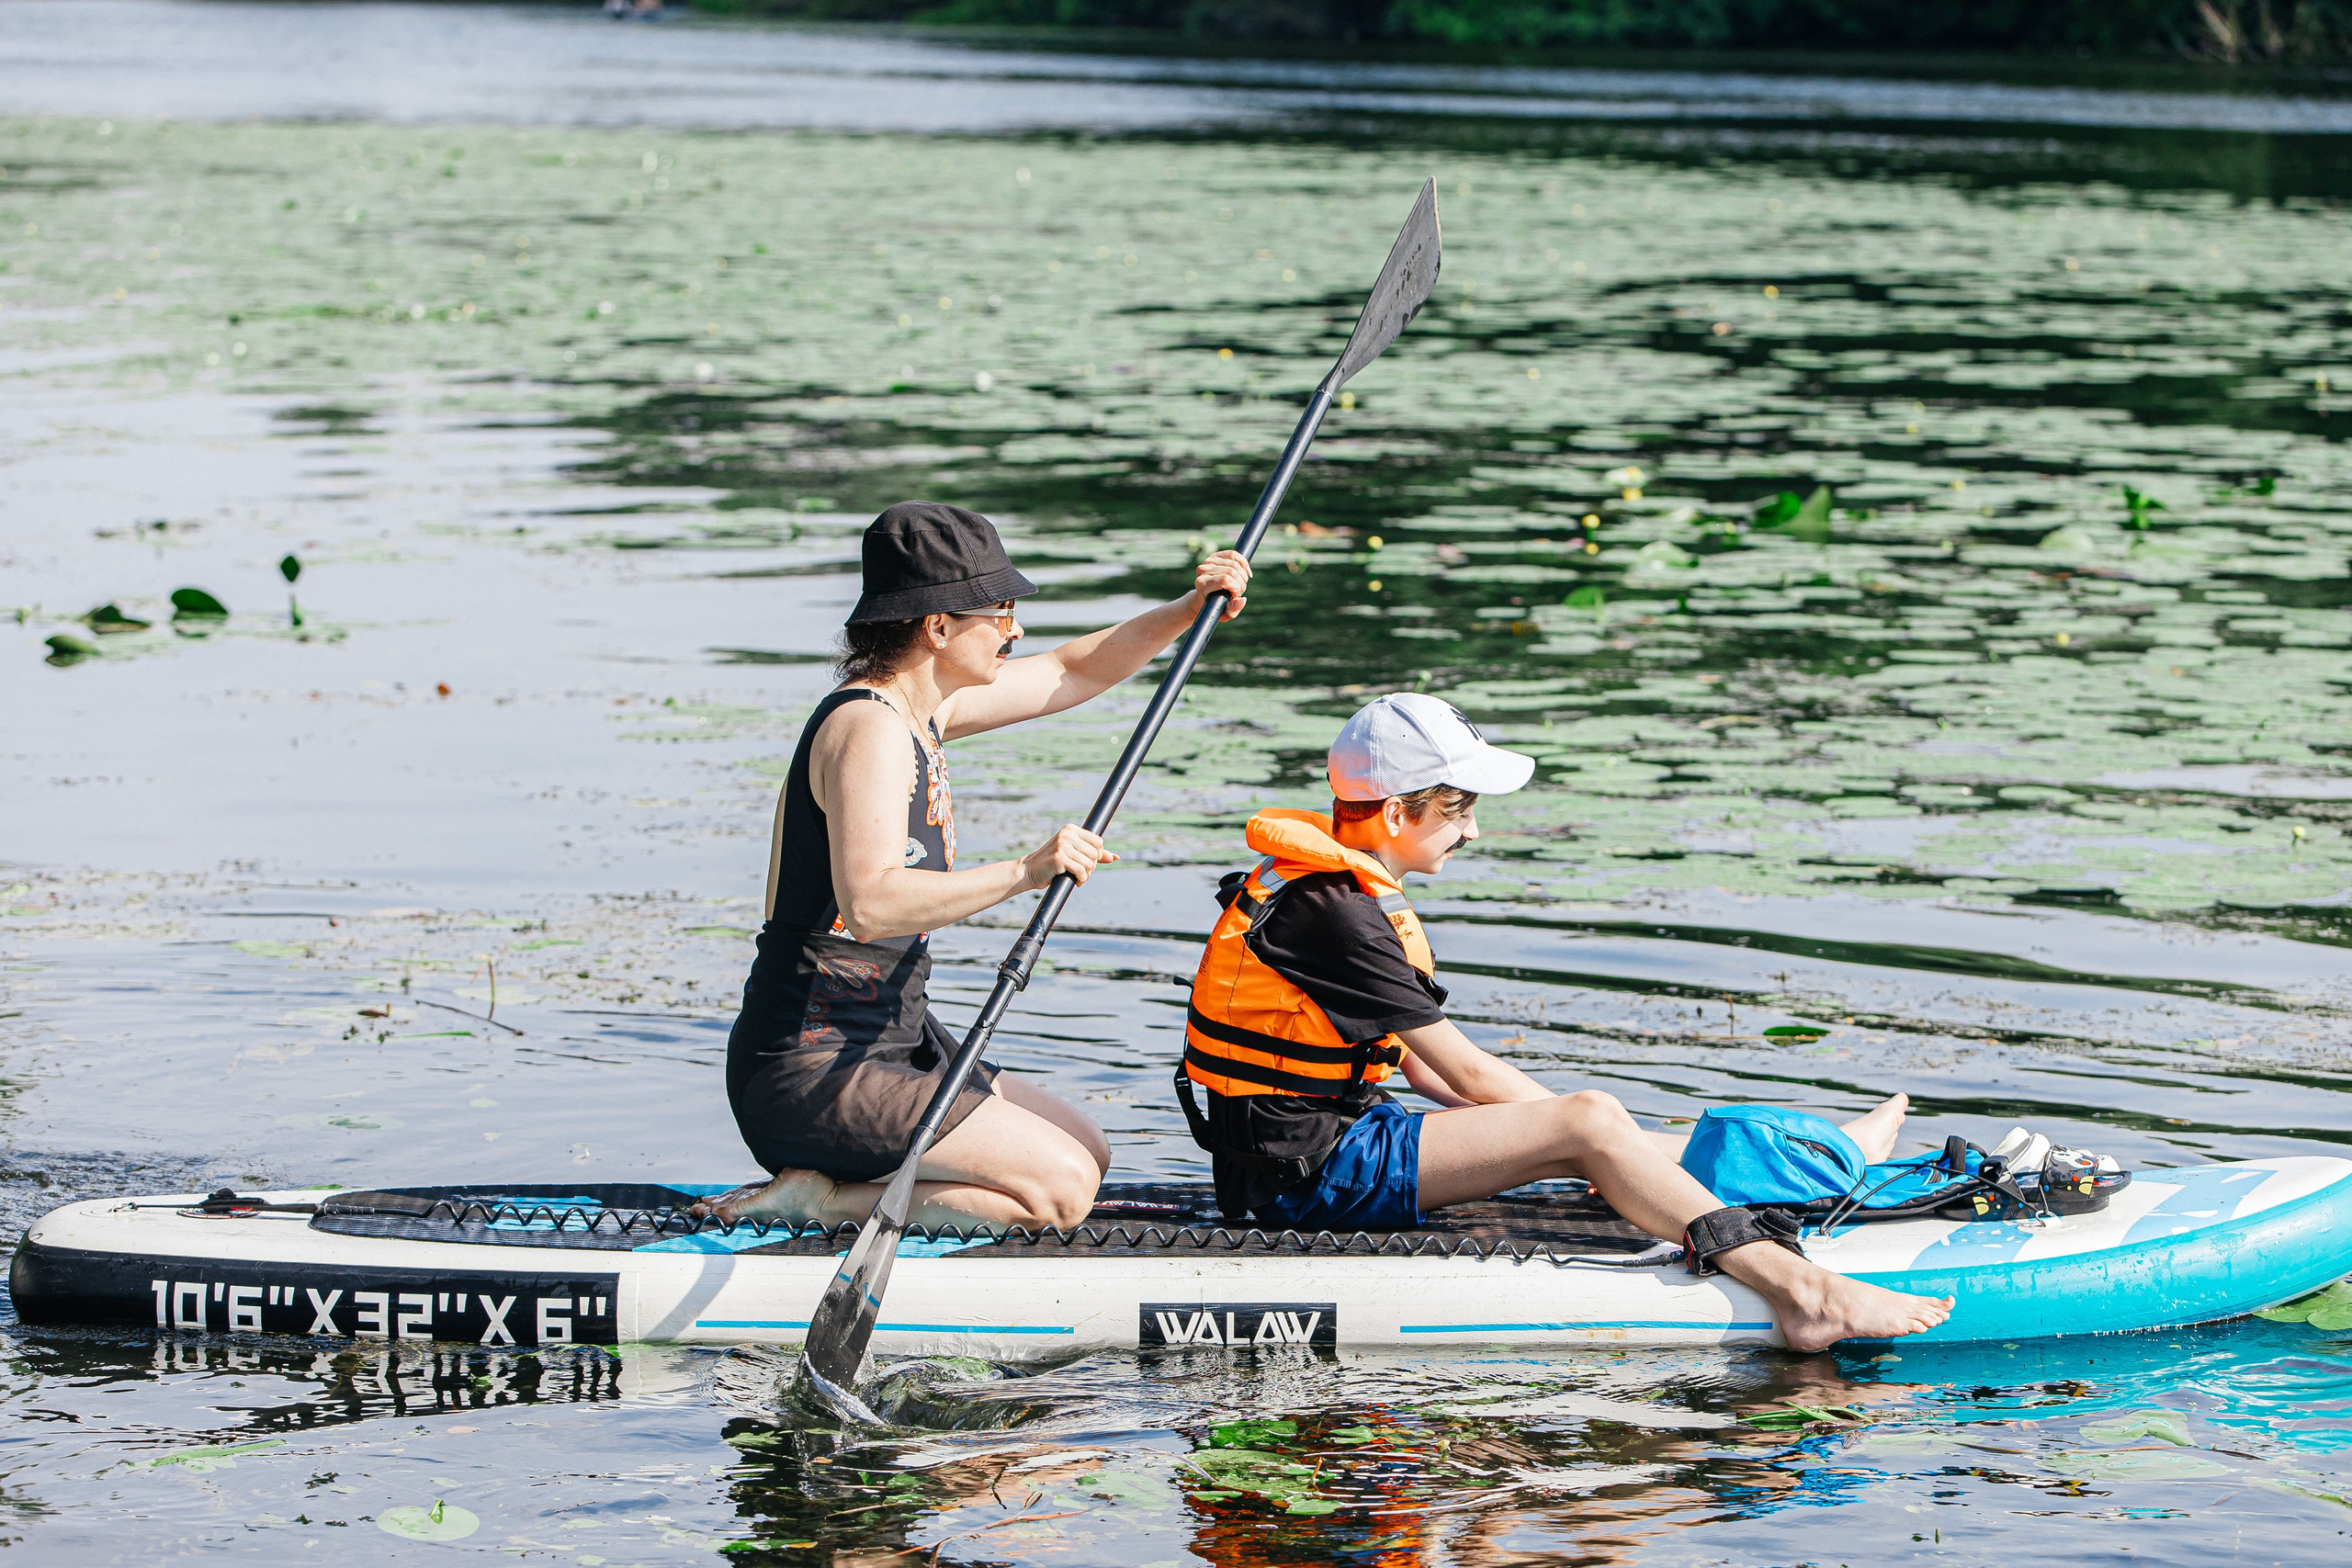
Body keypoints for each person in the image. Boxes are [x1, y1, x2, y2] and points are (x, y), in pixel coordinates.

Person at [1177, 692, 1954, 1350]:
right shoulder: (1338, 914)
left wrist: (1598, 1151)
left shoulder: (1325, 894)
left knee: (1601, 1134)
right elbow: (1464, 1071)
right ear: (1394, 811)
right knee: (1590, 1121)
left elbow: (1422, 1070)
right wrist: (1579, 1135)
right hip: (1309, 1179)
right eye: (1458, 809)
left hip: (1321, 1148)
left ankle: (1820, 1158)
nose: (1472, 831)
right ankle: (1800, 1290)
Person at [700, 501, 1250, 1235]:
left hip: (892, 1040)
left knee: (1088, 1149)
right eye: (1001, 613)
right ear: (938, 626)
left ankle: (857, 1180)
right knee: (1060, 1192)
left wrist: (1189, 609)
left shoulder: (921, 712)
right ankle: (822, 1201)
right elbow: (872, 906)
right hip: (813, 1066)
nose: (1015, 630)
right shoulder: (867, 727)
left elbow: (1071, 670)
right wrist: (1028, 869)